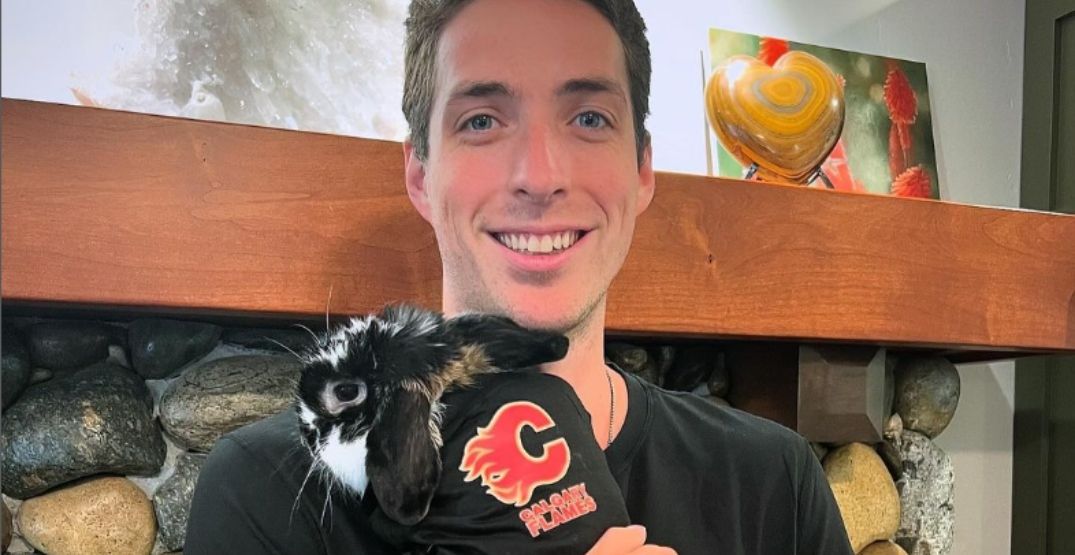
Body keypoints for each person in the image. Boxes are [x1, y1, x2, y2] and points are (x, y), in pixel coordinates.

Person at [185, 1, 854, 553]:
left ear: (642, 170)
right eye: (481, 121)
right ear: (420, 175)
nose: (539, 176)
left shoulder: (774, 481)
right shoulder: (265, 493)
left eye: (588, 118)